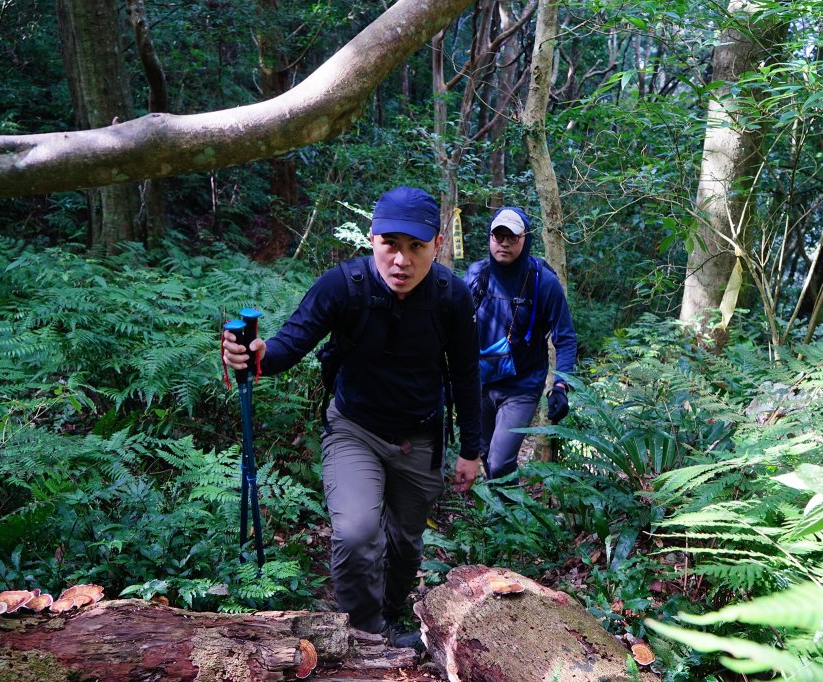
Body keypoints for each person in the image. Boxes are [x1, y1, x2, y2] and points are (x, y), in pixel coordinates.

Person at [222, 186, 481, 649]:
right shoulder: (343, 286)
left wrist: (470, 450)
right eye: (390, 244)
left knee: (405, 544)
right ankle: (364, 631)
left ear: (437, 245)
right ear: (371, 238)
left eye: (416, 247)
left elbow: (466, 375)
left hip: (421, 437)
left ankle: (391, 612)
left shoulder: (451, 297)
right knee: (357, 532)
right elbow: (289, 344)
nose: (401, 260)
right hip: (354, 429)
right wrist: (257, 355)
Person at [464, 206, 577, 480]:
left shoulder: (543, 283)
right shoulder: (476, 275)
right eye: (498, 235)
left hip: (522, 386)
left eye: (512, 237)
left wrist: (561, 386)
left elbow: (565, 338)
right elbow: (454, 328)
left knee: (499, 462)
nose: (504, 243)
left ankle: (509, 503)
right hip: (480, 383)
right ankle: (502, 507)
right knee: (486, 454)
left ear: (525, 239)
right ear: (490, 237)